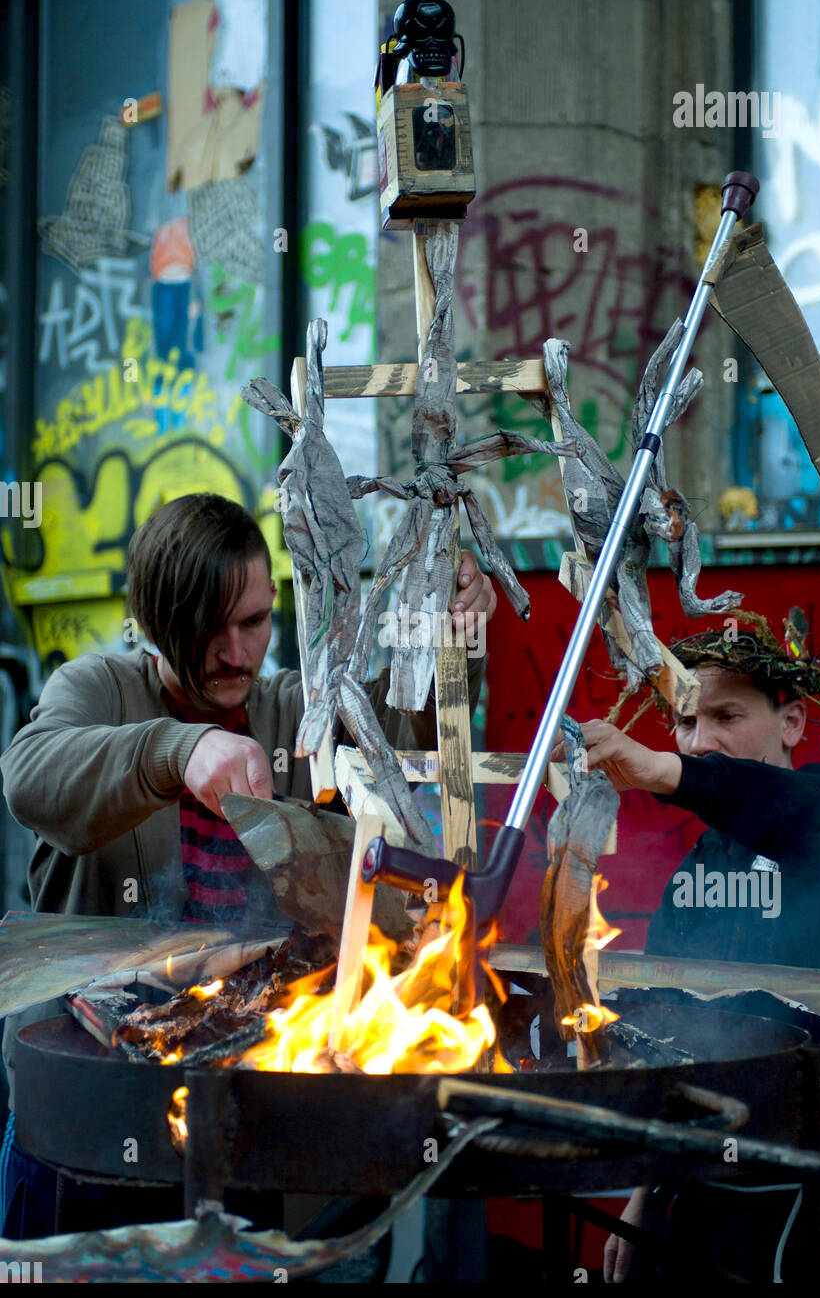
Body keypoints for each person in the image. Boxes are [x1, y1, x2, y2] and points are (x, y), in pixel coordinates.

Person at [0, 492, 497, 1237]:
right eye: (210, 628)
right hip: (90, 1115)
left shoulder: (296, 711)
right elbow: (29, 774)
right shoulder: (98, 689)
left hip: (245, 1112)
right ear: (160, 619)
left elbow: (416, 722)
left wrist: (450, 632)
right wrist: (179, 749)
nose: (237, 653)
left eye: (256, 622)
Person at [577, 614, 820, 1282]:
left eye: (726, 715)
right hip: (712, 1191)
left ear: (791, 723)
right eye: (682, 724)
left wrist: (658, 768)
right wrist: (645, 1192)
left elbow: (789, 806)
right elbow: (675, 1042)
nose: (699, 741)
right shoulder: (695, 876)